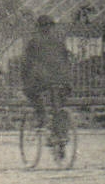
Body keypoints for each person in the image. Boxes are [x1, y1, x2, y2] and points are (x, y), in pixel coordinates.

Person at [20, 15, 72, 154]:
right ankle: (60, 134)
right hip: (63, 80)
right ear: (51, 27)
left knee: (30, 92)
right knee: (58, 107)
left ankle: (41, 116)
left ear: (39, 27)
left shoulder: (34, 42)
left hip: (43, 80)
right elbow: (67, 60)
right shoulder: (59, 41)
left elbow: (26, 63)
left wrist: (24, 79)